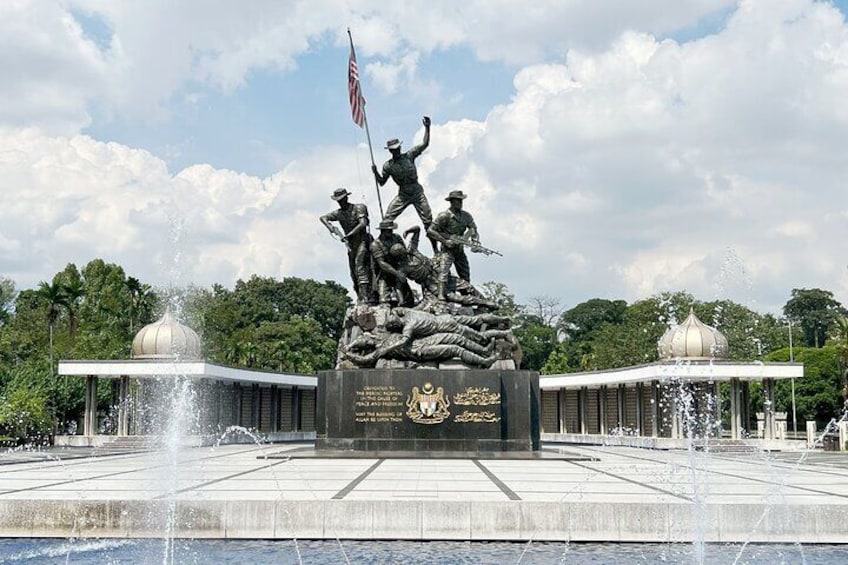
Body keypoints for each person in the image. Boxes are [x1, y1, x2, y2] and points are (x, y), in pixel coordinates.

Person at [371, 116, 438, 252]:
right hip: (403, 194)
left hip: (417, 191)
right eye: (393, 149)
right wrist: (376, 172)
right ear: (390, 151)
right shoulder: (388, 166)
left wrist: (427, 128)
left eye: (397, 148)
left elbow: (424, 144)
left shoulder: (410, 155)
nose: (396, 150)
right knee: (387, 219)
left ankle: (435, 249)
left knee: (428, 221)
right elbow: (382, 183)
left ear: (400, 147)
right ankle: (382, 246)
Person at [319, 188, 372, 303]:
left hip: (363, 241)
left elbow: (363, 223)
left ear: (347, 197)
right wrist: (330, 227)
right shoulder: (339, 213)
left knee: (360, 267)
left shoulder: (359, 208)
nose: (340, 202)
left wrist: (350, 234)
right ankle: (360, 296)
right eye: (338, 200)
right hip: (351, 245)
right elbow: (323, 218)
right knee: (353, 272)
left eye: (342, 199)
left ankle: (366, 297)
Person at [427, 190, 479, 299]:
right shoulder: (444, 216)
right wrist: (445, 241)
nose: (460, 203)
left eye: (461, 200)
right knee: (443, 271)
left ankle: (467, 297)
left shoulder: (466, 216)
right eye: (458, 201)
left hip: (459, 249)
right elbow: (430, 231)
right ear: (451, 202)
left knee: (465, 273)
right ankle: (440, 296)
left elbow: (473, 229)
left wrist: (475, 241)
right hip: (447, 249)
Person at [370, 219, 414, 306]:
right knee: (383, 301)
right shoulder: (375, 245)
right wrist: (397, 274)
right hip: (384, 274)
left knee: (409, 300)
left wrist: (403, 270)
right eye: (389, 230)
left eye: (391, 230)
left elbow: (404, 253)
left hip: (399, 269)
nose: (391, 232)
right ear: (383, 231)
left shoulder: (396, 238)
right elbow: (382, 263)